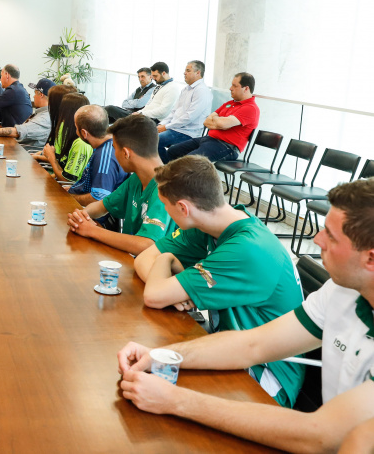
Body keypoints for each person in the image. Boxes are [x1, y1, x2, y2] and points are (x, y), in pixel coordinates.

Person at [118, 179, 374, 451]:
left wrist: (174, 400)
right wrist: (165, 356)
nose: (316, 239)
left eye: (331, 236)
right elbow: (253, 343)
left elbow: (319, 436)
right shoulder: (341, 290)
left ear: (370, 259)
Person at [131, 155, 304, 406]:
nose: (164, 210)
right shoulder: (212, 225)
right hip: (231, 347)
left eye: (164, 204)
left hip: (266, 377)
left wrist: (166, 260)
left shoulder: (247, 248)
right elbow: (143, 258)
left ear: (183, 208)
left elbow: (154, 295)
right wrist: (169, 285)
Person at [67, 115, 176, 255]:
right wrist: (82, 216)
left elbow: (147, 245)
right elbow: (103, 206)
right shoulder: (137, 178)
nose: (114, 153)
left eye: (114, 148)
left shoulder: (165, 188)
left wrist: (92, 230)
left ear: (125, 153)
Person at [167, 72, 259, 163]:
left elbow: (222, 123)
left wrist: (217, 119)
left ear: (246, 88)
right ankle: (165, 177)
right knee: (172, 151)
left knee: (189, 161)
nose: (230, 88)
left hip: (226, 147)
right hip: (209, 139)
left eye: (235, 86)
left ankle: (183, 177)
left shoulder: (250, 108)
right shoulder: (229, 103)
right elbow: (206, 122)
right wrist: (219, 122)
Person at [0, 78, 54, 151]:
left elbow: (17, 132)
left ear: (41, 95)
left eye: (35, 93)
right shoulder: (42, 113)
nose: (33, 97)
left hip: (24, 156)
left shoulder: (45, 118)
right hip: (16, 149)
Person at [67, 105, 129, 209]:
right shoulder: (103, 146)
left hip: (88, 214)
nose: (76, 132)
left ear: (84, 133)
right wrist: (72, 189)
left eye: (76, 128)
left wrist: (70, 197)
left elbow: (99, 198)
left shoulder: (105, 156)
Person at [156, 60, 213, 163]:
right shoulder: (186, 89)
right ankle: (168, 168)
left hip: (188, 132)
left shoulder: (202, 91)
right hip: (176, 128)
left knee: (154, 141)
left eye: (188, 70)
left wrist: (166, 127)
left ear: (198, 73)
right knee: (151, 136)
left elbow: (189, 117)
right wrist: (162, 124)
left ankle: (166, 171)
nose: (184, 73)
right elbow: (174, 111)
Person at [34, 93, 92, 182]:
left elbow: (67, 180)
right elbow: (61, 164)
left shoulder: (81, 143)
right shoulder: (65, 129)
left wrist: (51, 156)